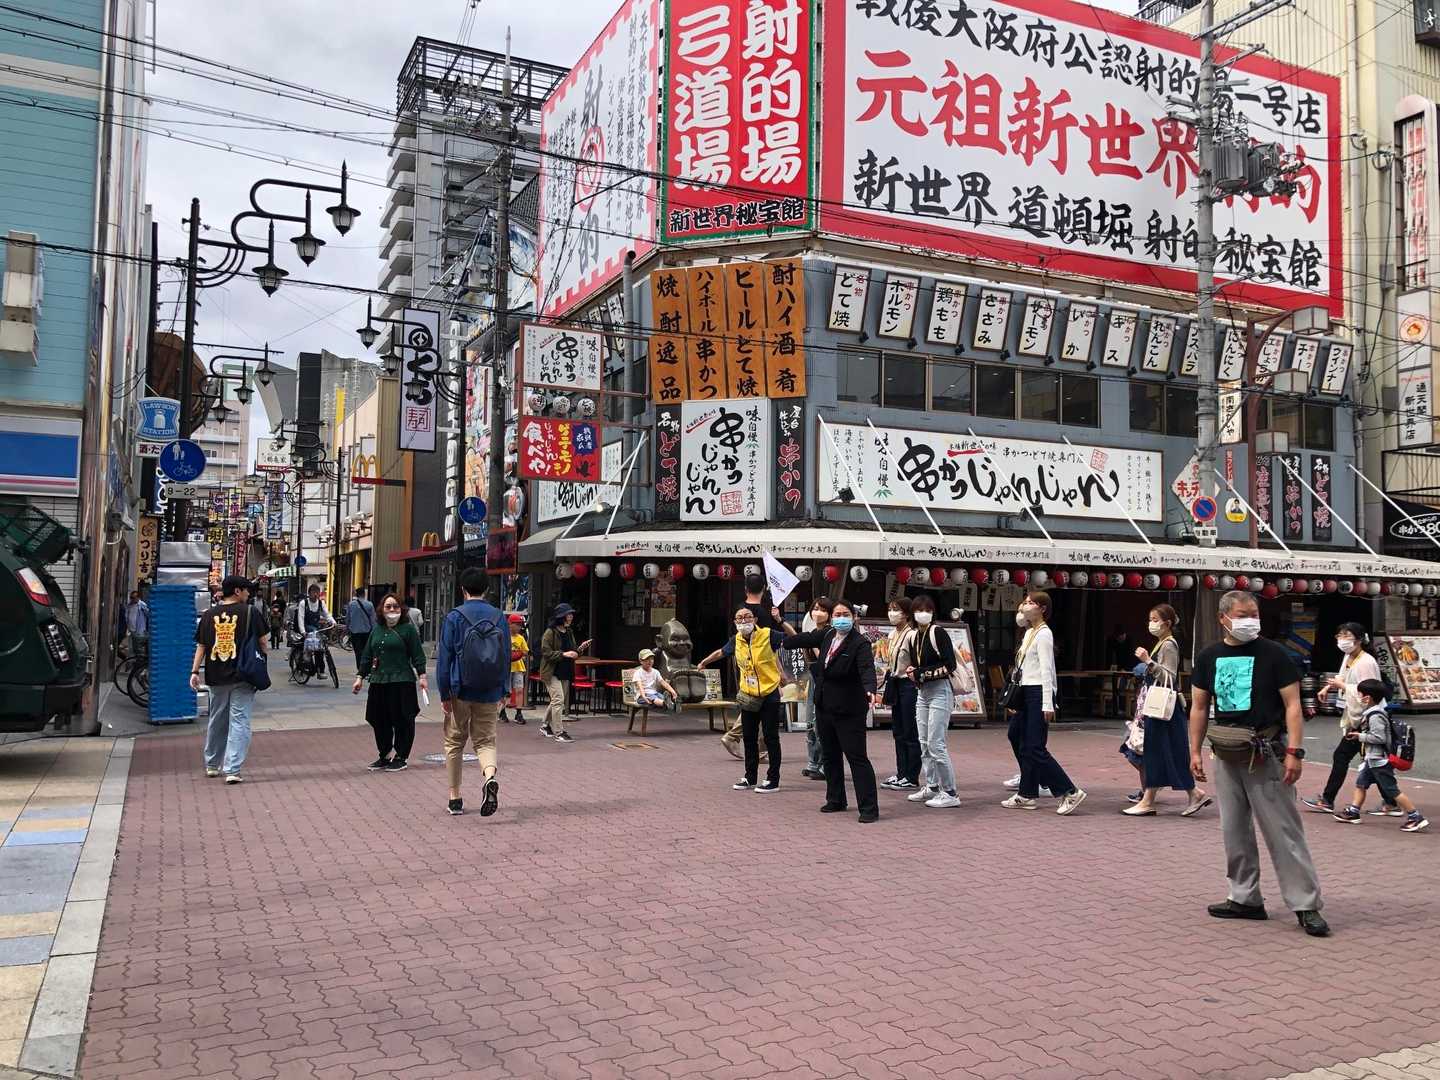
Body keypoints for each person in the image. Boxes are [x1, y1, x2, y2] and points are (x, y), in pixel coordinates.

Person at [1189, 590, 1328, 937]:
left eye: (1254, 614)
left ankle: (1305, 904)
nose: (1250, 621)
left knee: (1283, 830)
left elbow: (1293, 705)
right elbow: (1199, 707)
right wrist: (1194, 751)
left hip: (1266, 752)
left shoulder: (1275, 654)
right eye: (1242, 615)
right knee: (1233, 829)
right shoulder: (1208, 657)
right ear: (1223, 618)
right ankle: (1244, 897)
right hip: (1225, 752)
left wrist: (1295, 751)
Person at [778, 600, 879, 822]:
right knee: (830, 755)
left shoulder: (860, 643)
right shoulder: (827, 635)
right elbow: (804, 638)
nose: (841, 618)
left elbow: (866, 669)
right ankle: (836, 799)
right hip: (825, 705)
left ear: (854, 617)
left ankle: (869, 808)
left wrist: (870, 689)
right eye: (837, 614)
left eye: (845, 614)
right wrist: (781, 640)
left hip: (849, 708)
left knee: (856, 757)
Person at [1002, 591, 1087, 815]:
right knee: (1016, 736)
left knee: (1034, 747)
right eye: (1025, 602)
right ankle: (1027, 793)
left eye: (1031, 603)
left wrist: (1048, 703)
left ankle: (1070, 791)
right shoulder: (1029, 632)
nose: (1025, 606)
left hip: (1038, 692)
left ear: (1042, 609)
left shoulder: (1044, 634)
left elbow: (1047, 670)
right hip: (1025, 691)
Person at [1123, 605, 1211, 817]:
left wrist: (1148, 661)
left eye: (1155, 620)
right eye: (1150, 619)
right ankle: (1189, 794)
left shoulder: (1169, 645)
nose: (1151, 624)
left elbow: (1169, 676)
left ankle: (1152, 800)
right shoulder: (1162, 643)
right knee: (1163, 751)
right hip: (1159, 708)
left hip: (1163, 709)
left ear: (1167, 623)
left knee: (1160, 751)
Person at [435, 568, 509, 816]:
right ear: (487, 589)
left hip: (461, 689)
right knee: (486, 740)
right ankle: (489, 777)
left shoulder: (454, 617)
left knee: (454, 742)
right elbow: (505, 656)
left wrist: (444, 693)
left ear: (463, 589)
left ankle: (455, 797)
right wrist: (503, 689)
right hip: (489, 689)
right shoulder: (498, 616)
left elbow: (444, 659)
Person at [1303, 623, 1397, 816]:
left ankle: (1328, 800)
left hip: (1368, 719)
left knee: (1346, 757)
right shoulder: (1349, 657)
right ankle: (1391, 802)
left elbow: (1371, 691)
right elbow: (1342, 677)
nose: (1342, 639)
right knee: (1372, 761)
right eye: (1340, 635)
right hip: (1358, 717)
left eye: (1347, 635)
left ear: (1359, 639)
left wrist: (1343, 686)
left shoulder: (1366, 662)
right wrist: (1328, 687)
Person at [190, 575, 266, 784]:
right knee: (239, 720)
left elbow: (202, 646)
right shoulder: (251, 612)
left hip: (216, 675)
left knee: (217, 719)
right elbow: (263, 643)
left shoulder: (209, 615)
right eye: (246, 589)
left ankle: (212, 764)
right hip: (244, 674)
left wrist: (194, 672)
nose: (249, 593)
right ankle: (232, 769)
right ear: (237, 591)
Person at [700, 607, 785, 792]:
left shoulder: (768, 635)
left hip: (769, 693)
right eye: (739, 618)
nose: (743, 621)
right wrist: (705, 662)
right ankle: (750, 777)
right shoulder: (736, 640)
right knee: (749, 737)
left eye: (747, 617)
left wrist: (781, 620)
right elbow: (721, 652)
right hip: (748, 695)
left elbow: (792, 640)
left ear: (755, 620)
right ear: (735, 622)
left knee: (770, 737)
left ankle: (773, 779)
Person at [1332, 679, 1428, 832]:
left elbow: (1379, 738)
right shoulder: (1374, 712)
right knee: (1361, 784)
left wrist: (1360, 736)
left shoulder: (1375, 715)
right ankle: (1353, 812)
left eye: (1360, 694)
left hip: (1379, 760)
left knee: (1392, 790)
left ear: (1367, 698)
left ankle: (1416, 817)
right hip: (1372, 759)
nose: (1358, 697)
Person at [351, 593, 427, 772]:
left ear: (402, 609)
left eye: (395, 606)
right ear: (382, 610)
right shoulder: (376, 630)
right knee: (377, 718)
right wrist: (359, 677)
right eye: (388, 606)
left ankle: (401, 756)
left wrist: (422, 677)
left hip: (402, 681)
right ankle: (384, 754)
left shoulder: (408, 630)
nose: (392, 610)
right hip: (379, 681)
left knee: (403, 719)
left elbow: (417, 654)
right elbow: (367, 655)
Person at [905, 596, 961, 809]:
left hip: (940, 690)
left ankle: (950, 792)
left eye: (928, 610)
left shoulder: (937, 632)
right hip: (923, 692)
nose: (923, 613)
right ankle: (932, 785)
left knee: (936, 744)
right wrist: (913, 671)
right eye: (919, 609)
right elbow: (916, 663)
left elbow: (950, 665)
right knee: (924, 742)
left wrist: (921, 673)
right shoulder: (914, 636)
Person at [879, 597, 922, 792]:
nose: (892, 613)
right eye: (890, 609)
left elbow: (917, 661)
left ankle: (911, 776)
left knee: (910, 731)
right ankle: (901, 773)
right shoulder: (892, 635)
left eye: (896, 609)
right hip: (895, 683)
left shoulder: (912, 635)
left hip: (909, 685)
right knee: (898, 731)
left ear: (906, 613)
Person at [538, 603, 590, 743]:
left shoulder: (569, 632)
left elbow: (573, 651)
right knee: (558, 700)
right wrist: (564, 654)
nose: (571, 616)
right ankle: (559, 732)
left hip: (565, 671)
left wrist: (580, 649)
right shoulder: (550, 632)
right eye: (568, 614)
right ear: (561, 617)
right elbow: (546, 652)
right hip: (551, 671)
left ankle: (545, 725)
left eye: (571, 614)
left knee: (557, 700)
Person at [799, 598, 833, 781]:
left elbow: (824, 659)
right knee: (810, 723)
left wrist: (813, 642)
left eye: (822, 610)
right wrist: (780, 621)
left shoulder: (830, 633)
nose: (817, 612)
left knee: (821, 724)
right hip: (813, 678)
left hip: (826, 681)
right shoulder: (813, 632)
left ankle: (825, 765)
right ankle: (813, 762)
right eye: (815, 609)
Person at [499, 613, 529, 725]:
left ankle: (519, 713)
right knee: (505, 691)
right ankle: (502, 712)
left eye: (520, 625)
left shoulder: (520, 638)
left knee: (519, 689)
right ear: (510, 624)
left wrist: (519, 653)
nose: (519, 627)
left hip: (518, 666)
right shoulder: (503, 637)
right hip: (506, 667)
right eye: (517, 624)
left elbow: (526, 651)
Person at [344, 587, 377, 672]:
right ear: (364, 594)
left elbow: (348, 619)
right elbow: (373, 620)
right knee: (367, 651)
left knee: (358, 651)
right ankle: (366, 668)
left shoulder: (351, 604)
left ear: (356, 594)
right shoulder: (369, 604)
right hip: (367, 632)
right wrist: (374, 632)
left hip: (354, 632)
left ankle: (360, 669)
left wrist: (347, 629)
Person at [124, 590, 149, 655]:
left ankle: (138, 659)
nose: (132, 599)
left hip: (139, 631)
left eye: (133, 598)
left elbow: (148, 615)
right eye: (131, 597)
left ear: (138, 598)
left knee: (138, 648)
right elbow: (126, 616)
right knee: (131, 648)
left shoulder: (142, 605)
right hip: (131, 630)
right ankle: (132, 658)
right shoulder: (129, 605)